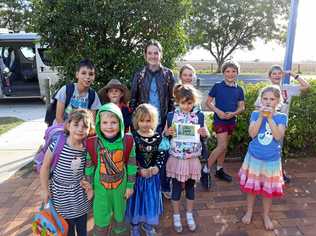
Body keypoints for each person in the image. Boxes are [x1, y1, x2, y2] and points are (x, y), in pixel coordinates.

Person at [130, 39, 175, 198]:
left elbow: (172, 101)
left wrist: (168, 122)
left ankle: (163, 186)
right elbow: (133, 100)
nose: (153, 56)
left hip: (161, 122)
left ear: (161, 54)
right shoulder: (139, 75)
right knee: (143, 155)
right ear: (145, 55)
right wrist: (134, 124)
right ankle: (140, 186)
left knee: (162, 153)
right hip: (143, 123)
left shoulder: (168, 74)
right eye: (150, 53)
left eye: (156, 52)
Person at [239, 85, 287, 230]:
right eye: (265, 98)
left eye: (272, 99)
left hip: (271, 160)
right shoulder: (255, 114)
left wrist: (270, 118)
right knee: (251, 188)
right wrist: (261, 116)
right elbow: (252, 134)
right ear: (261, 100)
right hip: (254, 158)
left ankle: (266, 215)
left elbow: (278, 136)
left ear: (278, 101)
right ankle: (249, 211)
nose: (268, 102)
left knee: (267, 191)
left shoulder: (281, 117)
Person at [84, 103, 137, 235]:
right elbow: (89, 166)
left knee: (120, 217)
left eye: (113, 122)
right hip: (100, 188)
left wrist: (130, 185)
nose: (109, 126)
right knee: (101, 218)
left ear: (120, 123)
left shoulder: (128, 141)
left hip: (121, 187)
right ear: (99, 124)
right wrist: (89, 185)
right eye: (105, 122)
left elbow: (131, 165)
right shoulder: (93, 142)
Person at [40, 109, 94, 236]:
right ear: (68, 126)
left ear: (89, 130)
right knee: (66, 230)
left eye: (85, 126)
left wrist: (88, 184)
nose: (80, 129)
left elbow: (88, 169)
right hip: (60, 195)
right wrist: (44, 189)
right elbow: (45, 168)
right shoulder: (57, 144)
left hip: (79, 195)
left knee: (82, 229)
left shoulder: (86, 149)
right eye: (76, 125)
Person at [254, 65, 310, 183]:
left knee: (277, 149)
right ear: (269, 76)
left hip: (280, 126)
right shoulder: (266, 90)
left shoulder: (287, 89)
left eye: (279, 73)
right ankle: (263, 174)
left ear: (282, 75)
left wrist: (292, 74)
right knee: (265, 149)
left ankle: (276, 173)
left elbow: (306, 86)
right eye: (274, 73)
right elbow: (257, 108)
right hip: (266, 126)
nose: (277, 75)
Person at [165, 84, 209, 233]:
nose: (186, 106)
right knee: (176, 187)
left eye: (189, 103)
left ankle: (189, 214)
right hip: (177, 158)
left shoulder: (199, 116)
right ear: (177, 101)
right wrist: (168, 132)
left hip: (192, 159)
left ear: (194, 102)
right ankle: (176, 215)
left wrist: (204, 133)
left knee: (190, 188)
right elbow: (165, 133)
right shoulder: (171, 116)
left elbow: (205, 133)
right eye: (183, 102)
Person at [126, 103, 166, 236]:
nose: (145, 124)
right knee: (137, 201)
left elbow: (161, 155)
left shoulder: (158, 137)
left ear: (154, 121)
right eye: (142, 120)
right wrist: (138, 170)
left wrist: (157, 167)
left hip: (152, 178)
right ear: (137, 121)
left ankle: (148, 224)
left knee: (150, 201)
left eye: (148, 120)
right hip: (138, 178)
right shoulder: (132, 138)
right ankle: (135, 225)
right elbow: (129, 158)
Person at [206, 60, 245, 182]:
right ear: (223, 73)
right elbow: (208, 103)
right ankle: (205, 170)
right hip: (219, 120)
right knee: (221, 146)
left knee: (224, 147)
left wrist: (233, 114)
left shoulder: (239, 89)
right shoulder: (218, 86)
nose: (230, 74)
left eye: (233, 71)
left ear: (237, 73)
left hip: (231, 121)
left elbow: (242, 107)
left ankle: (219, 169)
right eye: (228, 71)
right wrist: (218, 112)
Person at [178, 64, 211, 189]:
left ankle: (192, 179)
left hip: (193, 134)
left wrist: (204, 130)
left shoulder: (196, 94)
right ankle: (180, 181)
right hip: (180, 133)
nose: (188, 77)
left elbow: (200, 116)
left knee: (192, 157)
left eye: (190, 75)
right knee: (180, 159)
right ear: (180, 76)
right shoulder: (177, 92)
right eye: (185, 75)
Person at [54, 59, 101, 124]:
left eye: (91, 74)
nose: (87, 77)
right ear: (77, 75)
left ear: (94, 76)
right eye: (83, 73)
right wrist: (68, 133)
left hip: (81, 130)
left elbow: (91, 122)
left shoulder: (93, 95)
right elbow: (59, 117)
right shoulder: (66, 90)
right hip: (61, 129)